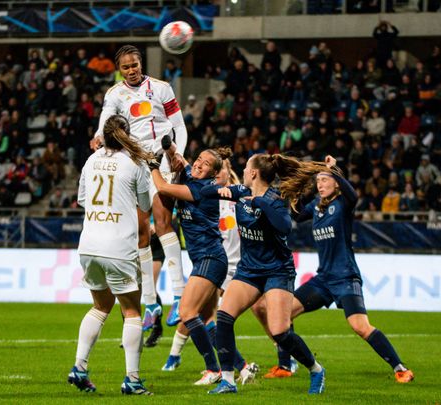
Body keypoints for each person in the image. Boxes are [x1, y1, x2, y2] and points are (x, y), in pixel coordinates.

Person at [253, 155, 415, 385]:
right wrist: (293, 186)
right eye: (318, 180)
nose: (320, 184)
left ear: (336, 183)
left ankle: (400, 368)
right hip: (323, 280)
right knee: (284, 315)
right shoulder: (317, 206)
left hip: (345, 277)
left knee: (360, 326)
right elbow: (296, 214)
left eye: (325, 180)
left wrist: (334, 170)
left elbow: (354, 195)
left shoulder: (343, 204)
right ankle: (285, 365)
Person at [201, 154, 326, 395]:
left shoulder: (275, 199)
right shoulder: (240, 191)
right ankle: (228, 380)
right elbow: (205, 194)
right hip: (249, 270)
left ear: (254, 173)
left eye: (246, 167)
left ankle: (315, 369)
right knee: (224, 317)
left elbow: (285, 226)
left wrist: (260, 203)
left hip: (277, 271)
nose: (244, 170)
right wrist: (221, 190)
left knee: (279, 331)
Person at [91, 45, 189, 331]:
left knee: (164, 223)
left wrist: (177, 153)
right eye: (126, 67)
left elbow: (178, 126)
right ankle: (151, 302)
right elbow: (106, 120)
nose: (131, 70)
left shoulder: (161, 88)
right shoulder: (114, 94)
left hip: (161, 161)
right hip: (134, 164)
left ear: (141, 64)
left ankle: (179, 296)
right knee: (141, 235)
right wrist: (99, 135)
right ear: (119, 69)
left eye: (135, 65)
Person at [151, 142, 256, 385]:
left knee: (187, 312)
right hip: (206, 258)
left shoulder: (204, 189)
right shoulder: (193, 174)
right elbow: (183, 161)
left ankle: (213, 369)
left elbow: (162, 186)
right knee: (208, 320)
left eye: (205, 164)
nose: (198, 164)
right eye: (198, 159)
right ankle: (242, 366)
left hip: (211, 258)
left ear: (212, 173)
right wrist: (169, 149)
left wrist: (153, 165)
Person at [67, 114, 153, 395]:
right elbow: (144, 204)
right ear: (127, 135)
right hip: (119, 246)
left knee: (100, 306)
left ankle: (79, 366)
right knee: (131, 311)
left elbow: (82, 199)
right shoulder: (135, 163)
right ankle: (132, 379)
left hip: (89, 244)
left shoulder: (91, 160)